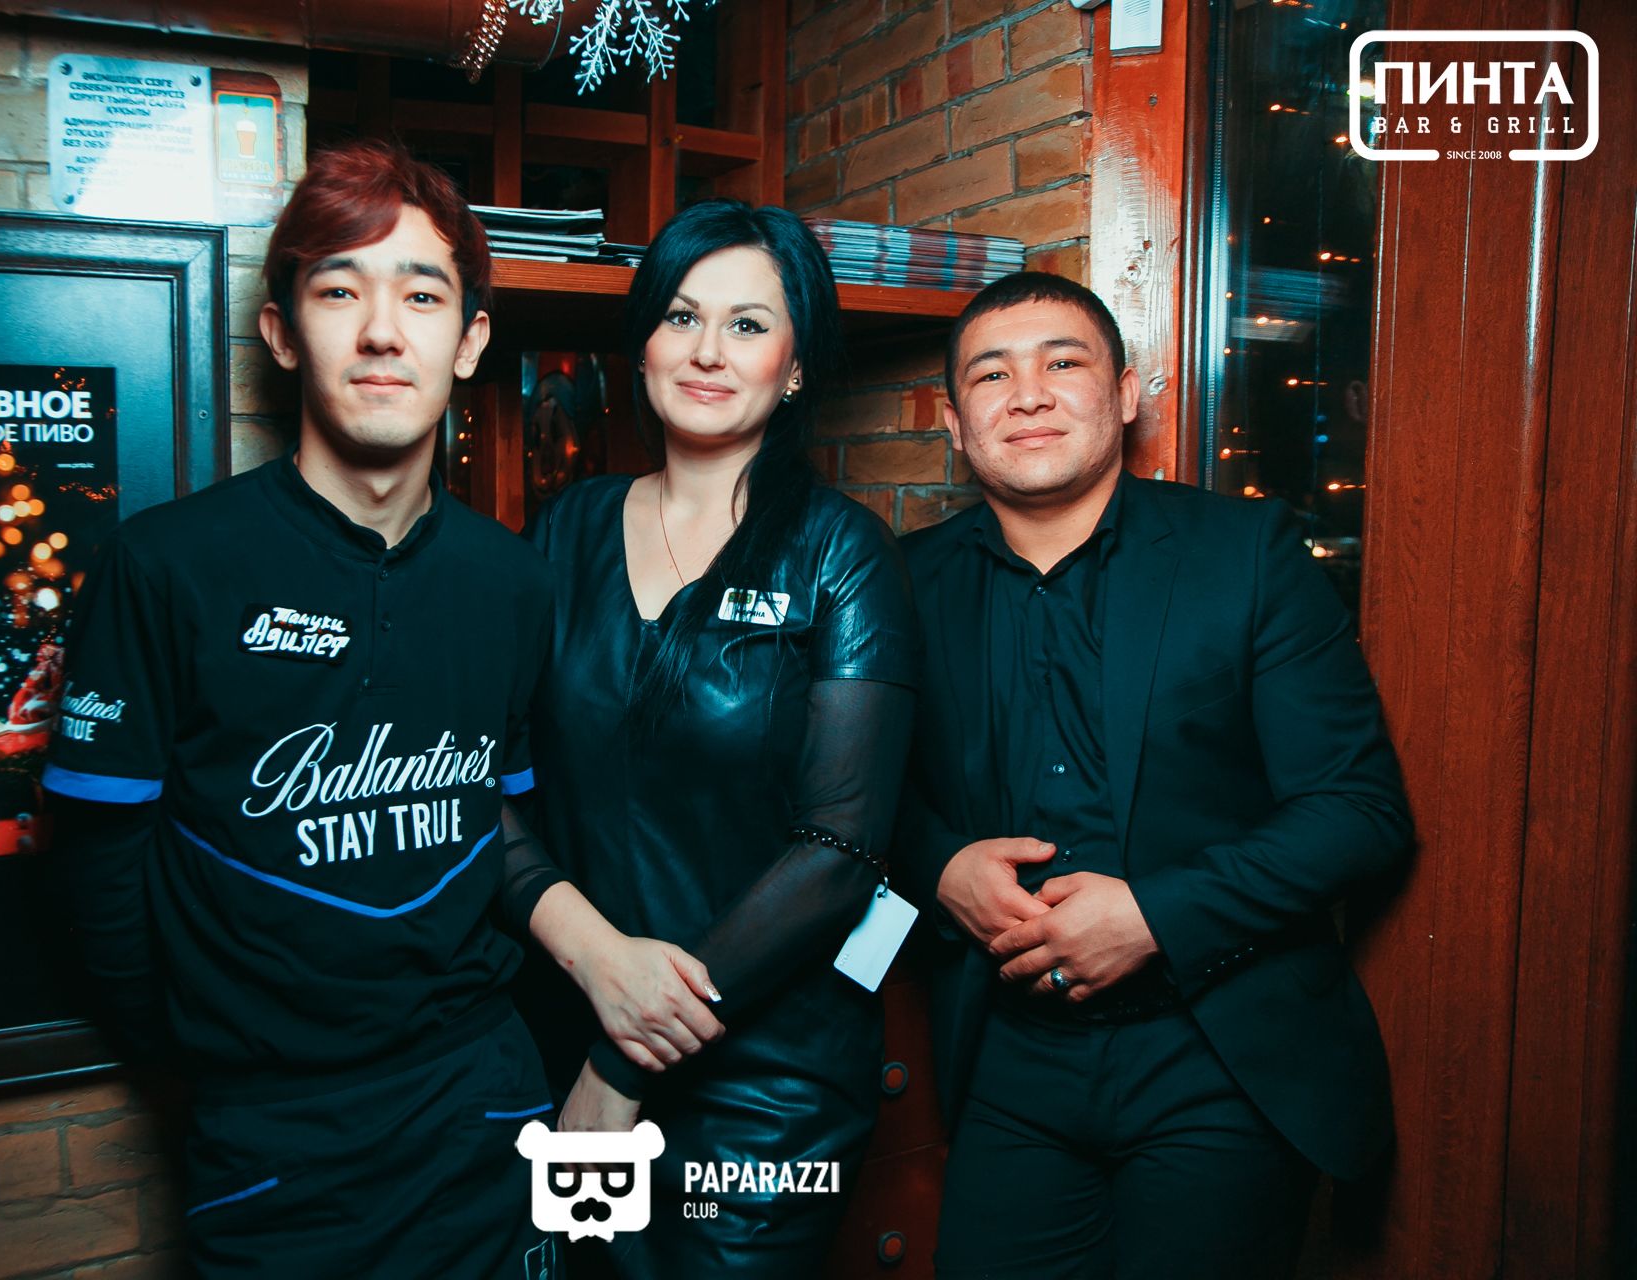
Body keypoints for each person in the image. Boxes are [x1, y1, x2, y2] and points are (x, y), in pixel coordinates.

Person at [41, 141, 714, 1279]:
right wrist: (211, 1054)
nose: (383, 332)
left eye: (422, 294)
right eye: (340, 291)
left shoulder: (512, 582)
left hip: (485, 1102)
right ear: (281, 332)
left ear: (471, 341)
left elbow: (496, 824)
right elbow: (101, 865)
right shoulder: (168, 566)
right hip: (273, 1136)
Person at [900, 272, 1413, 1280]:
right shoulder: (902, 580)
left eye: (1063, 362)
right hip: (1007, 1060)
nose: (1029, 393)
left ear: (1128, 394)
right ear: (955, 423)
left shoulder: (1246, 553)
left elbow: (1359, 811)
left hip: (1216, 1052)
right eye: (992, 375)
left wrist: (1154, 916)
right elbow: (851, 795)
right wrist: (942, 866)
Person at [517, 199, 920, 1277]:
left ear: (795, 367)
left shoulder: (843, 554)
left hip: (767, 1083)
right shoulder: (561, 532)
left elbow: (839, 852)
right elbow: (481, 781)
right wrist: (595, 965)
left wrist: (624, 1059)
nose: (707, 351)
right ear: (644, 341)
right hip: (563, 1026)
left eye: (748, 324)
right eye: (682, 316)